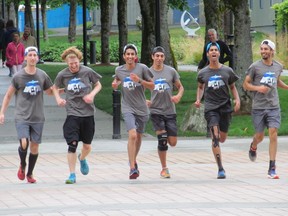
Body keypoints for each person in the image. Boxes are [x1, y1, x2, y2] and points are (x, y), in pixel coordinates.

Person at [0, 46, 54, 183]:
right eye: (29, 55)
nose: (32, 57)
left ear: (37, 57)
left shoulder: (42, 75)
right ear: (25, 57)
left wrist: (64, 90)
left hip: (38, 116)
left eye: (34, 55)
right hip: (22, 115)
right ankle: (22, 164)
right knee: (24, 142)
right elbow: (8, 96)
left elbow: (50, 91)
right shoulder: (18, 76)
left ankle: (29, 173)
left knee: (34, 146)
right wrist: (2, 113)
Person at [53, 46, 102, 184]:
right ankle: (72, 175)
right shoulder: (62, 74)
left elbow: (98, 85)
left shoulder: (87, 71)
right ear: (67, 63)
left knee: (87, 145)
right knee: (72, 144)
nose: (74, 66)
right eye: (71, 64)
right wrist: (58, 99)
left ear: (79, 61)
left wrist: (91, 95)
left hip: (87, 113)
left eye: (76, 63)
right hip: (72, 112)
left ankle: (82, 158)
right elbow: (54, 87)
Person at [243, 39, 288, 179]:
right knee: (260, 136)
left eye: (266, 49)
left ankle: (272, 168)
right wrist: (258, 88)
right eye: (262, 49)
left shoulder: (278, 66)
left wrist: (286, 87)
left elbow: (276, 80)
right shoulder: (255, 67)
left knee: (273, 133)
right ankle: (253, 145)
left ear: (272, 51)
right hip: (259, 107)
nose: (263, 51)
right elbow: (246, 84)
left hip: (273, 106)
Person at [194, 42, 240, 179]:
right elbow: (200, 87)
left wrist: (237, 100)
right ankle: (220, 168)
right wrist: (198, 99)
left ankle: (219, 138)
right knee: (215, 137)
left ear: (219, 53)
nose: (213, 52)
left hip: (225, 107)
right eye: (211, 50)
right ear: (208, 54)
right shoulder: (203, 72)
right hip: (210, 108)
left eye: (216, 50)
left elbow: (232, 87)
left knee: (222, 138)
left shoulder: (227, 71)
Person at [112, 44, 154, 179]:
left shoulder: (142, 68)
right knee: (133, 135)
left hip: (141, 108)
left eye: (132, 54)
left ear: (136, 56)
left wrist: (140, 80)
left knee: (139, 136)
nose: (130, 56)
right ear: (124, 56)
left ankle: (133, 160)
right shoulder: (119, 70)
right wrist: (115, 83)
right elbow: (117, 78)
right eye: (127, 54)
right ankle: (131, 168)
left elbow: (153, 85)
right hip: (127, 107)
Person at [147, 46, 184, 178]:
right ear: (152, 57)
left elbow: (180, 87)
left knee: (172, 142)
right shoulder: (148, 72)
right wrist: (144, 100)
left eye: (161, 56)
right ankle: (164, 168)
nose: (159, 58)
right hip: (156, 110)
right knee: (162, 139)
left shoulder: (171, 71)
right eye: (157, 56)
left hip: (170, 110)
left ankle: (166, 143)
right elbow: (137, 88)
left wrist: (178, 96)